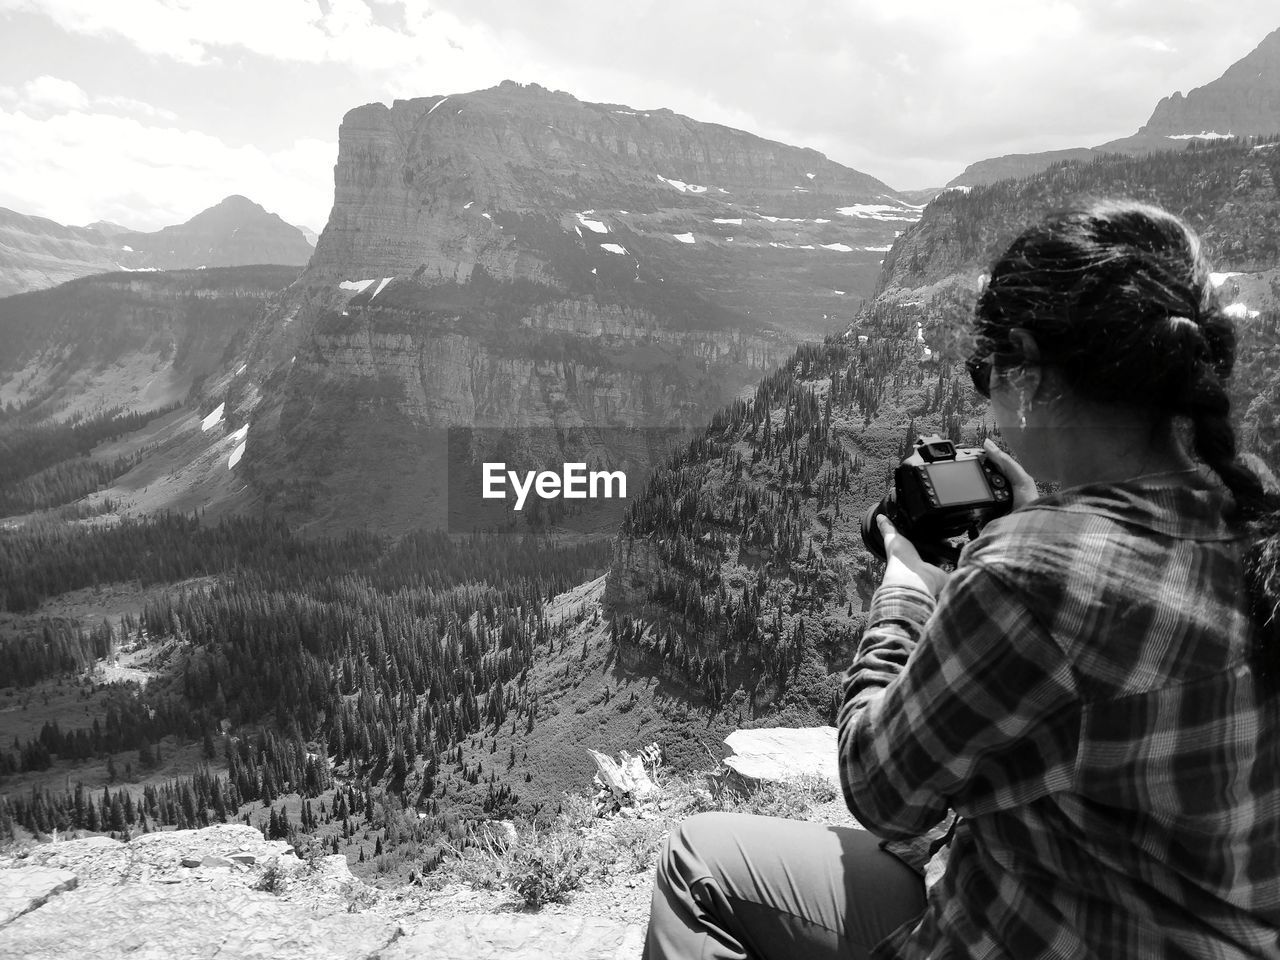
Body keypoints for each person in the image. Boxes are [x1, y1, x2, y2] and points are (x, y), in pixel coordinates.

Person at [642, 200, 1280, 959]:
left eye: (989, 375)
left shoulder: (1030, 574)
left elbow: (884, 795)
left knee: (696, 864)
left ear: (1028, 370)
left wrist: (906, 590)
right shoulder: (1249, 520)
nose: (991, 406)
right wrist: (1044, 522)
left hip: (1028, 934)